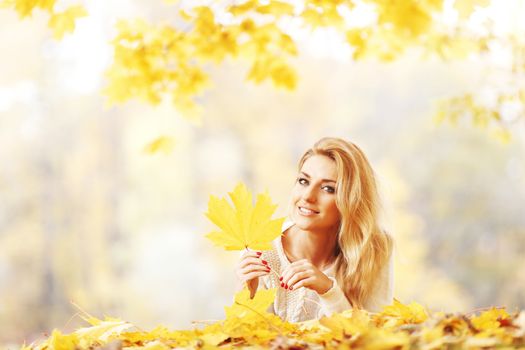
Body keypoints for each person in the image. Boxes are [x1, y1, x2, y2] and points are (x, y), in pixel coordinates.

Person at [235, 137, 394, 322]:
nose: (308, 196)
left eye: (328, 188)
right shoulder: (261, 250)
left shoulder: (374, 247)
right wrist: (245, 295)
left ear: (352, 200)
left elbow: (373, 337)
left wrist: (328, 291)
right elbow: (253, 339)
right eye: (303, 181)